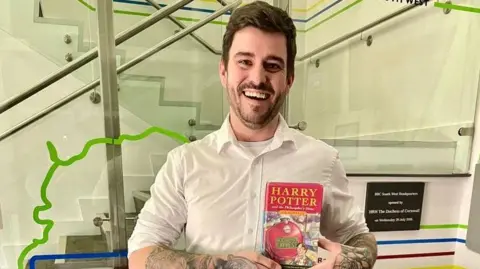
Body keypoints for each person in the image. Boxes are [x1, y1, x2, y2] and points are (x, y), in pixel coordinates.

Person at [127, 1, 378, 269]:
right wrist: (221, 265)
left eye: (272, 66)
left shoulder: (323, 160)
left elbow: (359, 237)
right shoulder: (184, 162)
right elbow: (140, 254)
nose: (257, 78)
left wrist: (346, 262)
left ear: (289, 79)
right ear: (224, 71)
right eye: (245, 62)